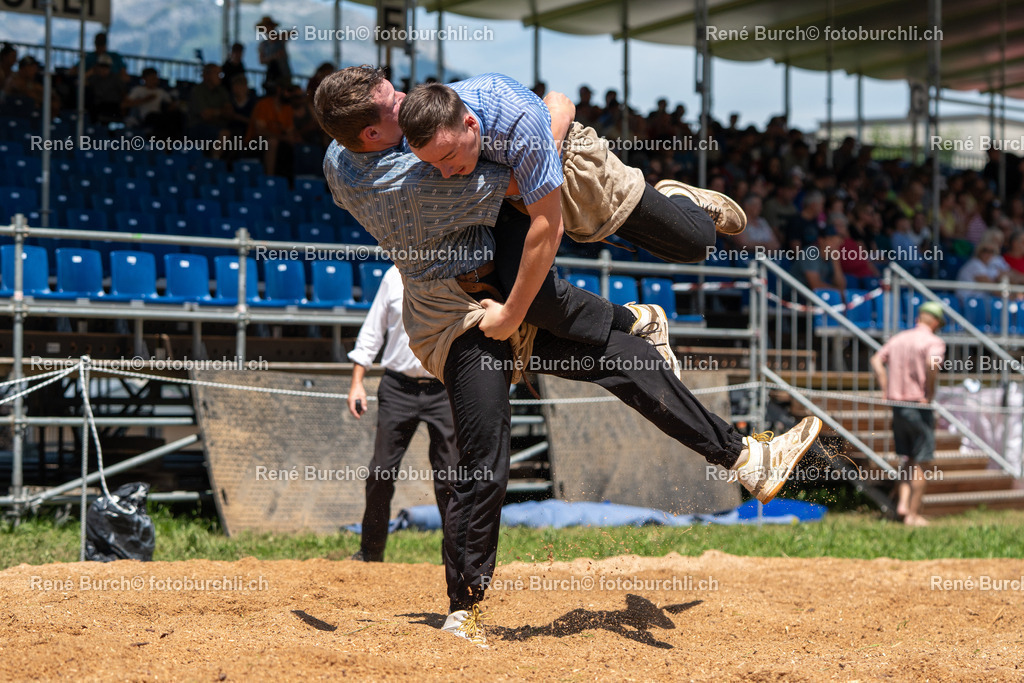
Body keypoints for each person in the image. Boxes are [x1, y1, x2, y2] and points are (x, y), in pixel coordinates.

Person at [313, 66, 823, 648]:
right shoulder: (436, 173)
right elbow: (540, 193)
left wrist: (533, 117)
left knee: (626, 360)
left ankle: (745, 462)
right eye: (392, 105)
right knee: (486, 452)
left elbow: (522, 148)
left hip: (495, 298)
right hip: (457, 320)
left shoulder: (337, 162)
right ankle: (465, 606)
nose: (404, 103)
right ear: (373, 137)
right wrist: (546, 116)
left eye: (398, 93)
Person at [347, 265, 457, 563]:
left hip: (444, 387)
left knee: (450, 478)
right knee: (380, 472)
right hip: (398, 388)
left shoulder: (454, 272)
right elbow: (372, 330)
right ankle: (370, 553)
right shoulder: (392, 276)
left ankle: (457, 560)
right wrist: (357, 382)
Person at [870, 301, 946, 526]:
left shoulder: (899, 338)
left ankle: (902, 505)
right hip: (918, 406)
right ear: (935, 322)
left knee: (907, 459)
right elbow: (933, 365)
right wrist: (929, 393)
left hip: (898, 406)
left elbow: (876, 360)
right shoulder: (934, 341)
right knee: (922, 463)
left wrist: (885, 388)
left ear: (918, 318)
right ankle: (912, 515)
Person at [256, 16, 291, 91]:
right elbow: (261, 61)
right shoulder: (263, 44)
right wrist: (274, 57)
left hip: (284, 73)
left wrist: (276, 37)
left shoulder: (281, 39)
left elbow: (292, 32)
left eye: (269, 26)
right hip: (273, 75)